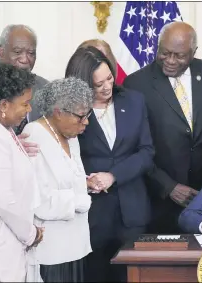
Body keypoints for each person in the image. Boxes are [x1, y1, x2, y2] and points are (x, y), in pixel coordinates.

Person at [123, 22, 202, 234]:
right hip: (159, 201)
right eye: (164, 53)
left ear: (193, 52)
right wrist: (168, 187)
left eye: (179, 56)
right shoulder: (136, 84)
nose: (170, 61)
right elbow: (132, 147)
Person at [65, 46, 154, 282]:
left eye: (109, 78)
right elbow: (65, 157)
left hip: (132, 213)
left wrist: (113, 176)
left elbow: (146, 152)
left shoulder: (134, 101)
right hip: (92, 215)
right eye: (98, 84)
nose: (107, 87)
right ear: (83, 84)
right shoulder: (70, 112)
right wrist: (85, 180)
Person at [21, 77, 94, 282]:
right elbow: (39, 201)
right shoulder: (33, 135)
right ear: (58, 112)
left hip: (76, 245)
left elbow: (70, 181)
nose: (86, 121)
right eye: (81, 116)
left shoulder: (72, 136)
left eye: (87, 114)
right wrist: (81, 201)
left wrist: (86, 185)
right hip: (50, 251)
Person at [0, 63, 44, 282]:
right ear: (4, 105)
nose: (29, 109)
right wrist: (31, 234)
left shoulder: (7, 131)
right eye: (25, 104)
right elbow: (5, 202)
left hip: (12, 246)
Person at [0, 24, 49, 135]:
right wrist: (12, 143)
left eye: (31, 53)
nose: (25, 59)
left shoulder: (45, 87)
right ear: (1, 52)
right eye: (17, 52)